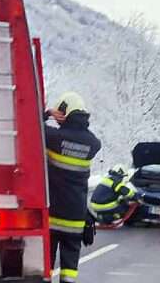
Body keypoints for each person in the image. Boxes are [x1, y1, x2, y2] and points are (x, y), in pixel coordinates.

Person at [44, 92, 101, 283]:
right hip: (76, 216)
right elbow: (92, 141)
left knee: (46, 264)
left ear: (64, 113)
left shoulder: (54, 137)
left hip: (52, 214)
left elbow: (34, 127)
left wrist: (48, 113)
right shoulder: (92, 144)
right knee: (70, 268)